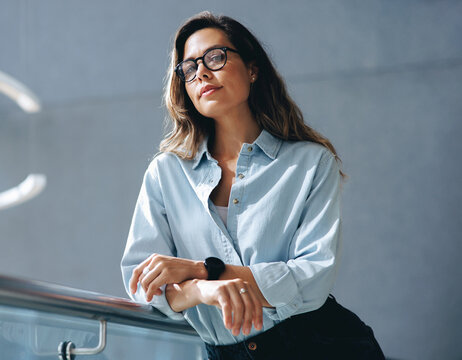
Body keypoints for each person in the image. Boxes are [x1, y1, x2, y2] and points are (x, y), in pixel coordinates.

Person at [121, 11, 384, 360]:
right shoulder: (165, 173)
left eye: (215, 57)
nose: (201, 71)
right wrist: (201, 290)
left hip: (321, 345)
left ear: (252, 69)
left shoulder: (309, 162)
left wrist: (202, 269)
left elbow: (312, 278)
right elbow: (144, 285)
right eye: (188, 67)